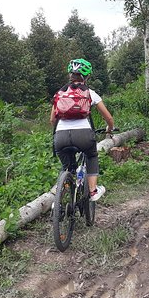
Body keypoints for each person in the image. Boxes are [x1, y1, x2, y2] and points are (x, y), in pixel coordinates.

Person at [50, 58, 114, 202]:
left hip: (60, 136)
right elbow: (108, 118)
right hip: (84, 135)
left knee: (67, 166)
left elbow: (52, 120)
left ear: (70, 75)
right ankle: (92, 191)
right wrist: (109, 129)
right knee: (91, 155)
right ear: (87, 76)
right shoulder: (90, 93)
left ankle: (58, 196)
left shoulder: (59, 93)